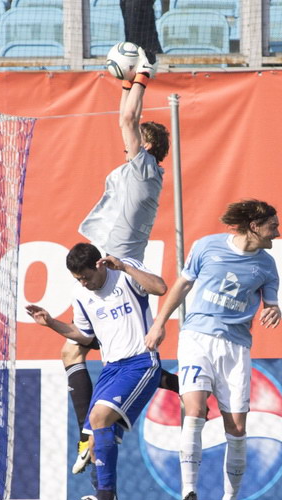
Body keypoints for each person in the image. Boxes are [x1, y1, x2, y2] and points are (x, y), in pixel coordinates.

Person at [62, 45, 172, 475]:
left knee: (79, 351)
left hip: (116, 267)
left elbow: (127, 119)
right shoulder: (139, 172)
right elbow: (125, 118)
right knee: (71, 351)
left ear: (145, 146)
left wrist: (141, 77)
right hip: (111, 260)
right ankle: (89, 434)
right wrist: (124, 84)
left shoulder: (143, 169)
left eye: (136, 139)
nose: (127, 140)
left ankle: (89, 433)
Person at [144, 199, 282, 500]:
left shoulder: (266, 265)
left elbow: (272, 304)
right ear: (254, 226)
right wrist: (160, 323)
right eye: (272, 226)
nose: (277, 231)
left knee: (236, 426)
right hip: (196, 338)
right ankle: (188, 493)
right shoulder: (207, 247)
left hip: (235, 349)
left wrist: (273, 310)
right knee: (194, 410)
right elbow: (182, 285)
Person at [26, 242, 167, 500]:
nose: (85, 283)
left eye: (87, 276)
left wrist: (126, 266)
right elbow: (84, 336)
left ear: (99, 265)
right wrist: (51, 322)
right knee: (94, 439)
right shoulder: (81, 295)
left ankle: (106, 499)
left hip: (140, 362)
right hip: (111, 368)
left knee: (100, 418)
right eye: (78, 279)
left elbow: (161, 288)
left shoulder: (125, 273)